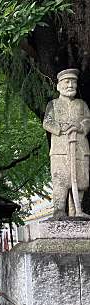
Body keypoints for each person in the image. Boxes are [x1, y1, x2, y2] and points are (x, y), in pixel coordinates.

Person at [43, 68, 90, 218]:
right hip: (60, 149)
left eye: (73, 82)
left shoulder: (82, 104)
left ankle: (77, 210)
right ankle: (59, 210)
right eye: (66, 82)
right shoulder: (53, 104)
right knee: (61, 179)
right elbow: (47, 122)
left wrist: (80, 127)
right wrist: (61, 128)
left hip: (80, 147)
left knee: (81, 180)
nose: (70, 85)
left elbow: (87, 121)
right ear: (58, 86)